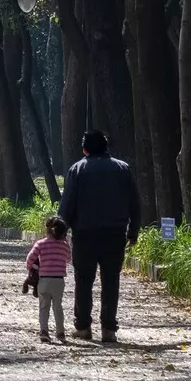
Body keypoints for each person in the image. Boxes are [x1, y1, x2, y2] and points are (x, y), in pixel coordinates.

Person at [57, 130, 140, 343]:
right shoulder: (122, 168)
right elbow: (134, 202)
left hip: (84, 234)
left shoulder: (77, 169)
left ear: (84, 149)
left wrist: (60, 231)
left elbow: (68, 203)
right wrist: (133, 231)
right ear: (106, 147)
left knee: (83, 280)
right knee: (111, 280)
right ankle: (108, 329)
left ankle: (83, 326)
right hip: (114, 234)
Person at [22, 215, 72, 343]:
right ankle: (60, 332)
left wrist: (32, 269)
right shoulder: (65, 246)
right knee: (58, 306)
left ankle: (44, 331)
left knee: (44, 306)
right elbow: (68, 259)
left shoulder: (41, 244)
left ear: (48, 229)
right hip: (59, 281)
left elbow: (29, 259)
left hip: (44, 280)